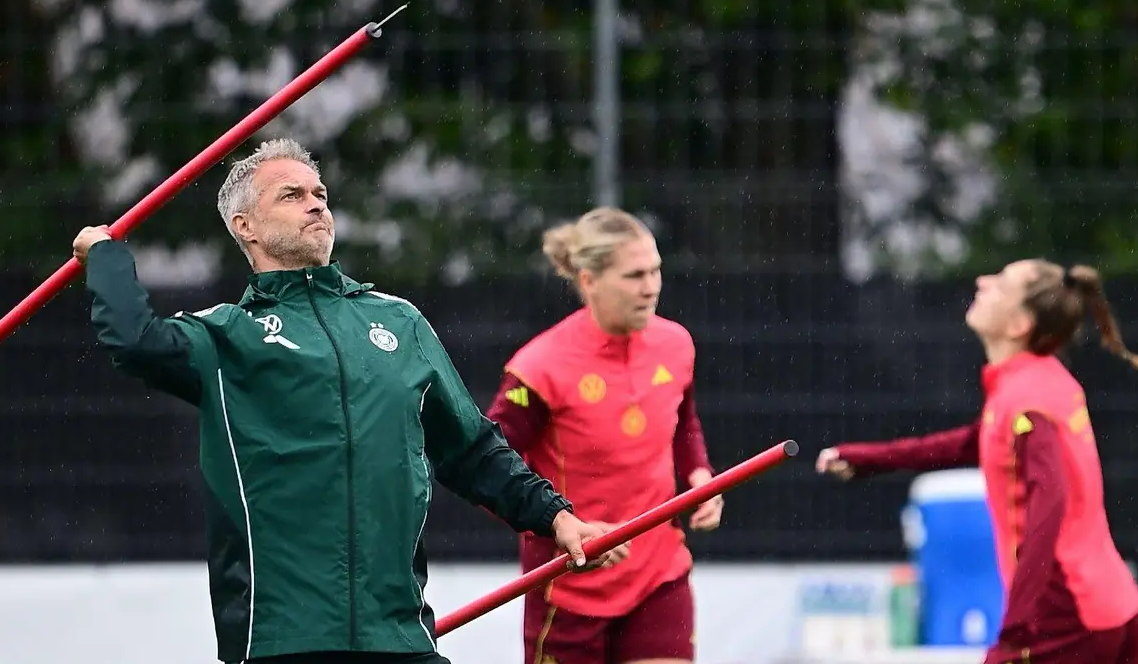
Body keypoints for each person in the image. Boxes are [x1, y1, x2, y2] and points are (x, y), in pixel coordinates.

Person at [73, 138, 620, 664]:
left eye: (320, 194)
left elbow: (474, 451)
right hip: (280, 638)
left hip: (400, 634)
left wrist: (556, 518)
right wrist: (105, 257)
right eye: (292, 195)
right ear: (246, 227)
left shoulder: (398, 321)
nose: (315, 205)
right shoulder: (225, 336)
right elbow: (135, 341)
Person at [816, 259, 1138, 664]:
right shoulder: (1037, 382)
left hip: (1066, 616)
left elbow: (1049, 505)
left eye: (1001, 283)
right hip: (1114, 606)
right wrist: (868, 459)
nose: (982, 280)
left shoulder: (1028, 399)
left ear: (1018, 325)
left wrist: (1017, 627)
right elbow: (974, 443)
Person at [484, 207, 721, 664]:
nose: (651, 287)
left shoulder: (676, 344)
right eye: (634, 275)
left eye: (655, 270)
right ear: (589, 281)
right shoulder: (538, 367)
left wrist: (698, 474)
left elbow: (684, 424)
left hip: (659, 574)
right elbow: (488, 468)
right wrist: (557, 530)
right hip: (567, 585)